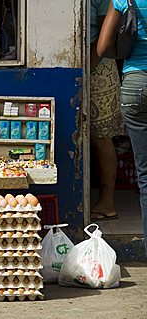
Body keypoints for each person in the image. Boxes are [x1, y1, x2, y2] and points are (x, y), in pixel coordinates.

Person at [97, 0, 147, 251]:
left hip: (135, 84)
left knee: (145, 175)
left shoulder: (124, 0)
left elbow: (103, 47)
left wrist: (126, 54)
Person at [89, 0, 124, 221]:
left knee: (101, 136)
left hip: (99, 67)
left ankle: (107, 202)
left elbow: (105, 37)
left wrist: (87, 66)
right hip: (89, 64)